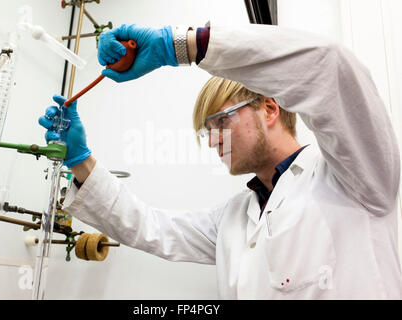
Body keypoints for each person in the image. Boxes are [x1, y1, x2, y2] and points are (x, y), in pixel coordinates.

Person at [39, 23, 402, 299]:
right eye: (206, 130)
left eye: (221, 122)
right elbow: (152, 228)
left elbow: (328, 67)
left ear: (270, 109)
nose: (212, 140)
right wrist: (80, 160)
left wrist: (180, 45)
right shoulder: (232, 217)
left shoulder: (355, 178)